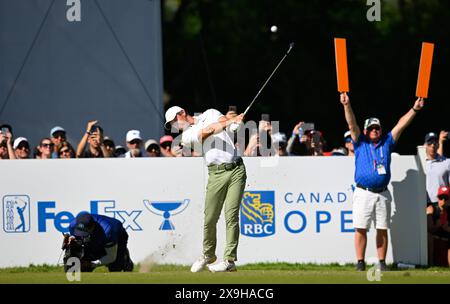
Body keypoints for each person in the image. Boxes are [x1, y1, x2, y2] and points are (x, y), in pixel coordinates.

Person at [340, 92, 424, 271]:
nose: (374, 130)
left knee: (382, 228)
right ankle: (360, 262)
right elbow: (351, 123)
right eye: (371, 128)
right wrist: (347, 105)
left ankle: (382, 262)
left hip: (383, 193)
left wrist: (415, 109)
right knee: (360, 227)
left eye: (377, 128)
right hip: (364, 191)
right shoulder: (359, 142)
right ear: (365, 131)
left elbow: (401, 125)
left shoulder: (387, 142)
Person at [165, 105, 246, 272]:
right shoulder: (186, 136)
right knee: (210, 218)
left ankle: (229, 261)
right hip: (216, 174)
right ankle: (208, 254)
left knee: (231, 215)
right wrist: (231, 121)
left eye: (174, 122)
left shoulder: (210, 113)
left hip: (237, 169)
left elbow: (224, 122)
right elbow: (206, 133)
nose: (174, 127)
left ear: (182, 113)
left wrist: (234, 124)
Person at [65, 212, 134, 272]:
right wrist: (72, 240)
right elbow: (76, 238)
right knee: (82, 268)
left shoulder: (108, 231)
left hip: (118, 236)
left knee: (115, 267)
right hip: (96, 238)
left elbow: (111, 257)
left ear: (92, 227)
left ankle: (125, 257)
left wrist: (92, 264)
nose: (82, 235)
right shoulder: (73, 225)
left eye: (85, 232)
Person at [423, 131, 450, 207]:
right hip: (423, 204)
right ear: (425, 145)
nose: (432, 145)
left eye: (435, 143)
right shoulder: (419, 163)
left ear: (438, 145)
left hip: (443, 203)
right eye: (429, 143)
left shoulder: (447, 162)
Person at [427, 186, 450, 267]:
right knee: (429, 237)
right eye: (441, 197)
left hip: (446, 242)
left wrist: (447, 228)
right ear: (437, 198)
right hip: (435, 241)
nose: (443, 200)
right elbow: (429, 229)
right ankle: (430, 264)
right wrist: (437, 225)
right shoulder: (432, 209)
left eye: (446, 198)